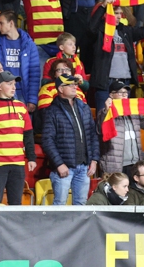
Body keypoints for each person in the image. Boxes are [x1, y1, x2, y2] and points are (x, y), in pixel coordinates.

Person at [0, 70, 37, 204]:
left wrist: (32, 157)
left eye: (14, 84)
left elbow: (28, 135)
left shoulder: (21, 107)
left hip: (18, 163)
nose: (14, 87)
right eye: (9, 84)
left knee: (16, 203)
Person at [42, 73, 100, 205]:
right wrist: (59, 164)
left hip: (84, 166)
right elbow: (47, 141)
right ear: (60, 89)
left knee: (81, 205)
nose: (75, 87)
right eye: (70, 85)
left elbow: (93, 135)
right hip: (64, 167)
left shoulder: (84, 107)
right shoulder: (51, 111)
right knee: (60, 205)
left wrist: (94, 160)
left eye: (75, 84)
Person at [97, 81, 144, 176]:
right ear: (111, 95)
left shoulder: (133, 111)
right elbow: (100, 130)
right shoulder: (104, 113)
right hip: (115, 165)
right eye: (121, 92)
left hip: (135, 164)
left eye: (126, 93)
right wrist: (106, 111)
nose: (124, 95)